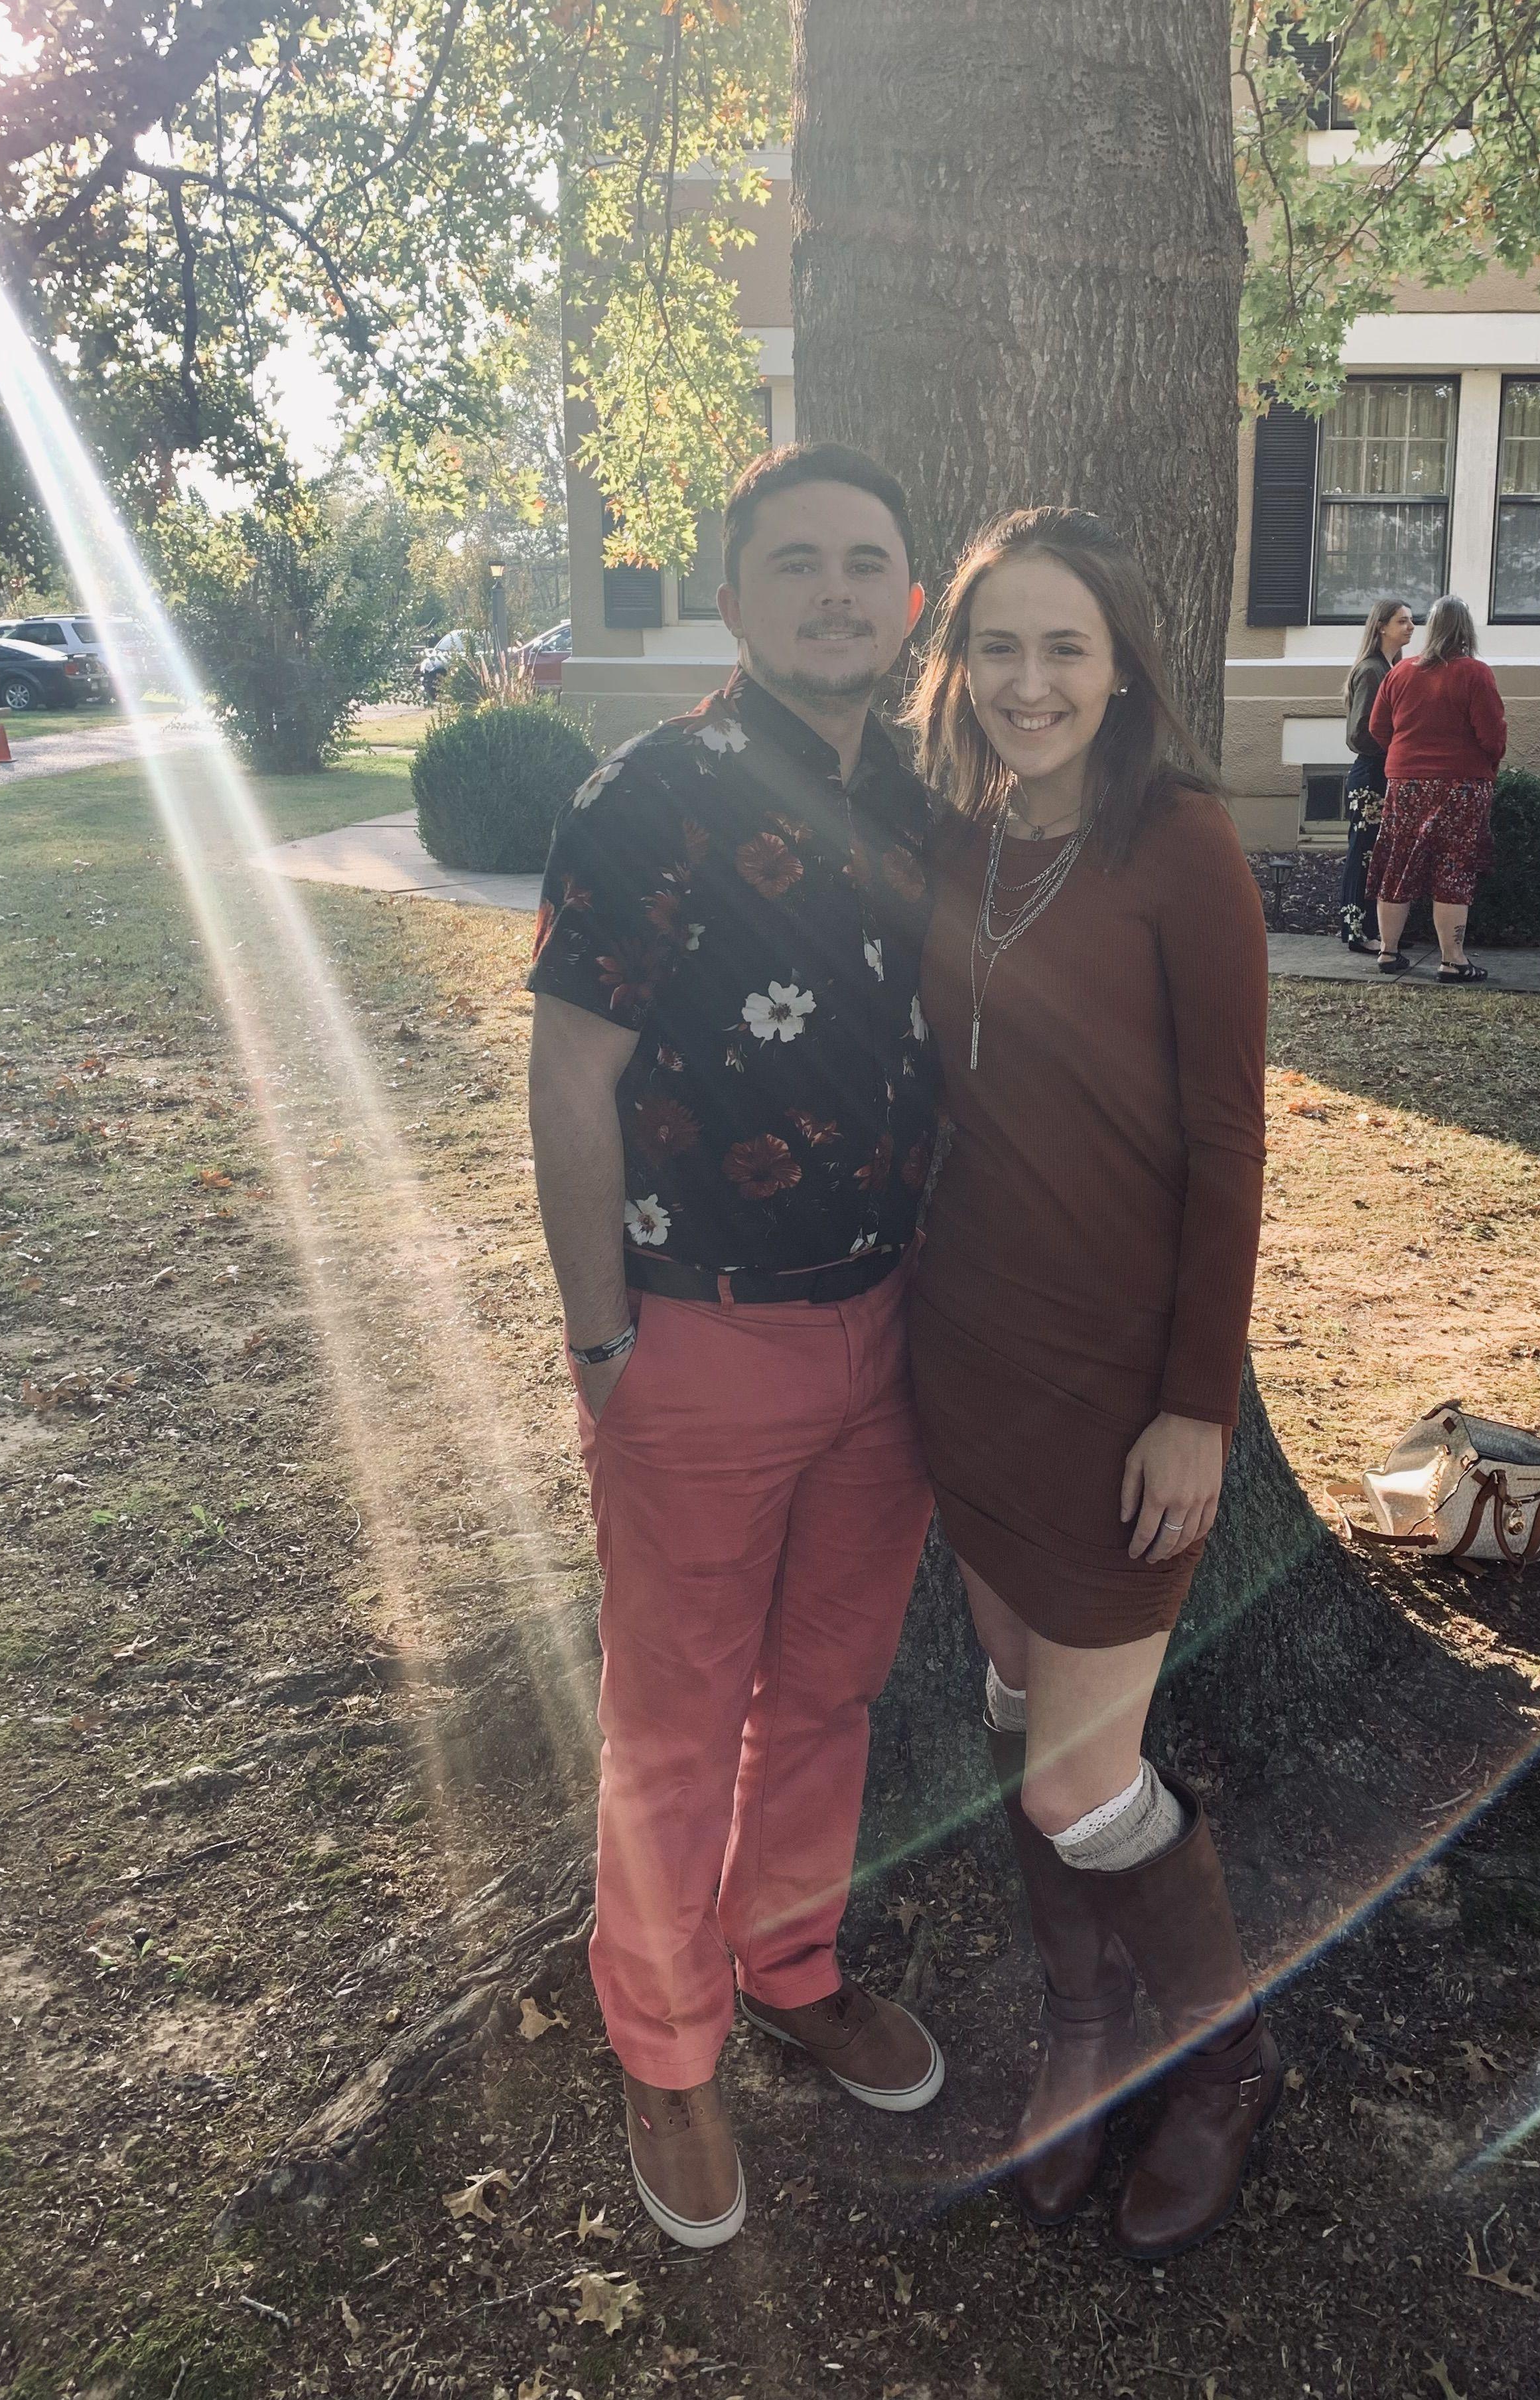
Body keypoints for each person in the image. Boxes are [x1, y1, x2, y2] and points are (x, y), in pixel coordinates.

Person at [524, 443, 949, 2254]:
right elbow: (569, 1077)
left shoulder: (929, 803)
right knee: (677, 1719)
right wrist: (600, 1343)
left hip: (895, 1337)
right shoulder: (644, 799)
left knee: (832, 1690)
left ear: (910, 600)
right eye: (797, 563)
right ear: (733, 599)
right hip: (696, 1336)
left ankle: (788, 1964)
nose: (836, 592)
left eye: (866, 562)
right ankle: (665, 2046)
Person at [901, 506, 1277, 2261]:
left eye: (1065, 647)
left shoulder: (1180, 844)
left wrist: (1198, 1402)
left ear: (1121, 667)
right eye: (1000, 647)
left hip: (1125, 1386)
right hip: (971, 1357)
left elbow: (1229, 1142)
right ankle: (1086, 2025)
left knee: (1076, 1780)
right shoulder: (958, 838)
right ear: (959, 666)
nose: (1030, 681)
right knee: (1010, 1705)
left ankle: (1226, 2060)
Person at [1363, 593, 1507, 982]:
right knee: (1453, 866)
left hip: (1405, 783)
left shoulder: (1401, 672)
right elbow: (1493, 737)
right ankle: (1452, 960)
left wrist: (1406, 756)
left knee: (1398, 861)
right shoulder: (1475, 674)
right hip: (1461, 785)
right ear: (1467, 629)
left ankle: (1388, 952)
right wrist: (1485, 762)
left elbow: (1378, 728)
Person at [1337, 597, 1414, 952]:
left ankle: (1377, 930)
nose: (1410, 627)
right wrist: (1396, 745)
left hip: (1383, 774)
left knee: (1378, 853)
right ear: (1381, 626)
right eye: (1402, 621)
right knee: (1363, 852)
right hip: (1370, 775)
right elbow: (1360, 734)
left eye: (1411, 621)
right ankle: (1355, 932)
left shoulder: (1390, 668)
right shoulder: (1372, 671)